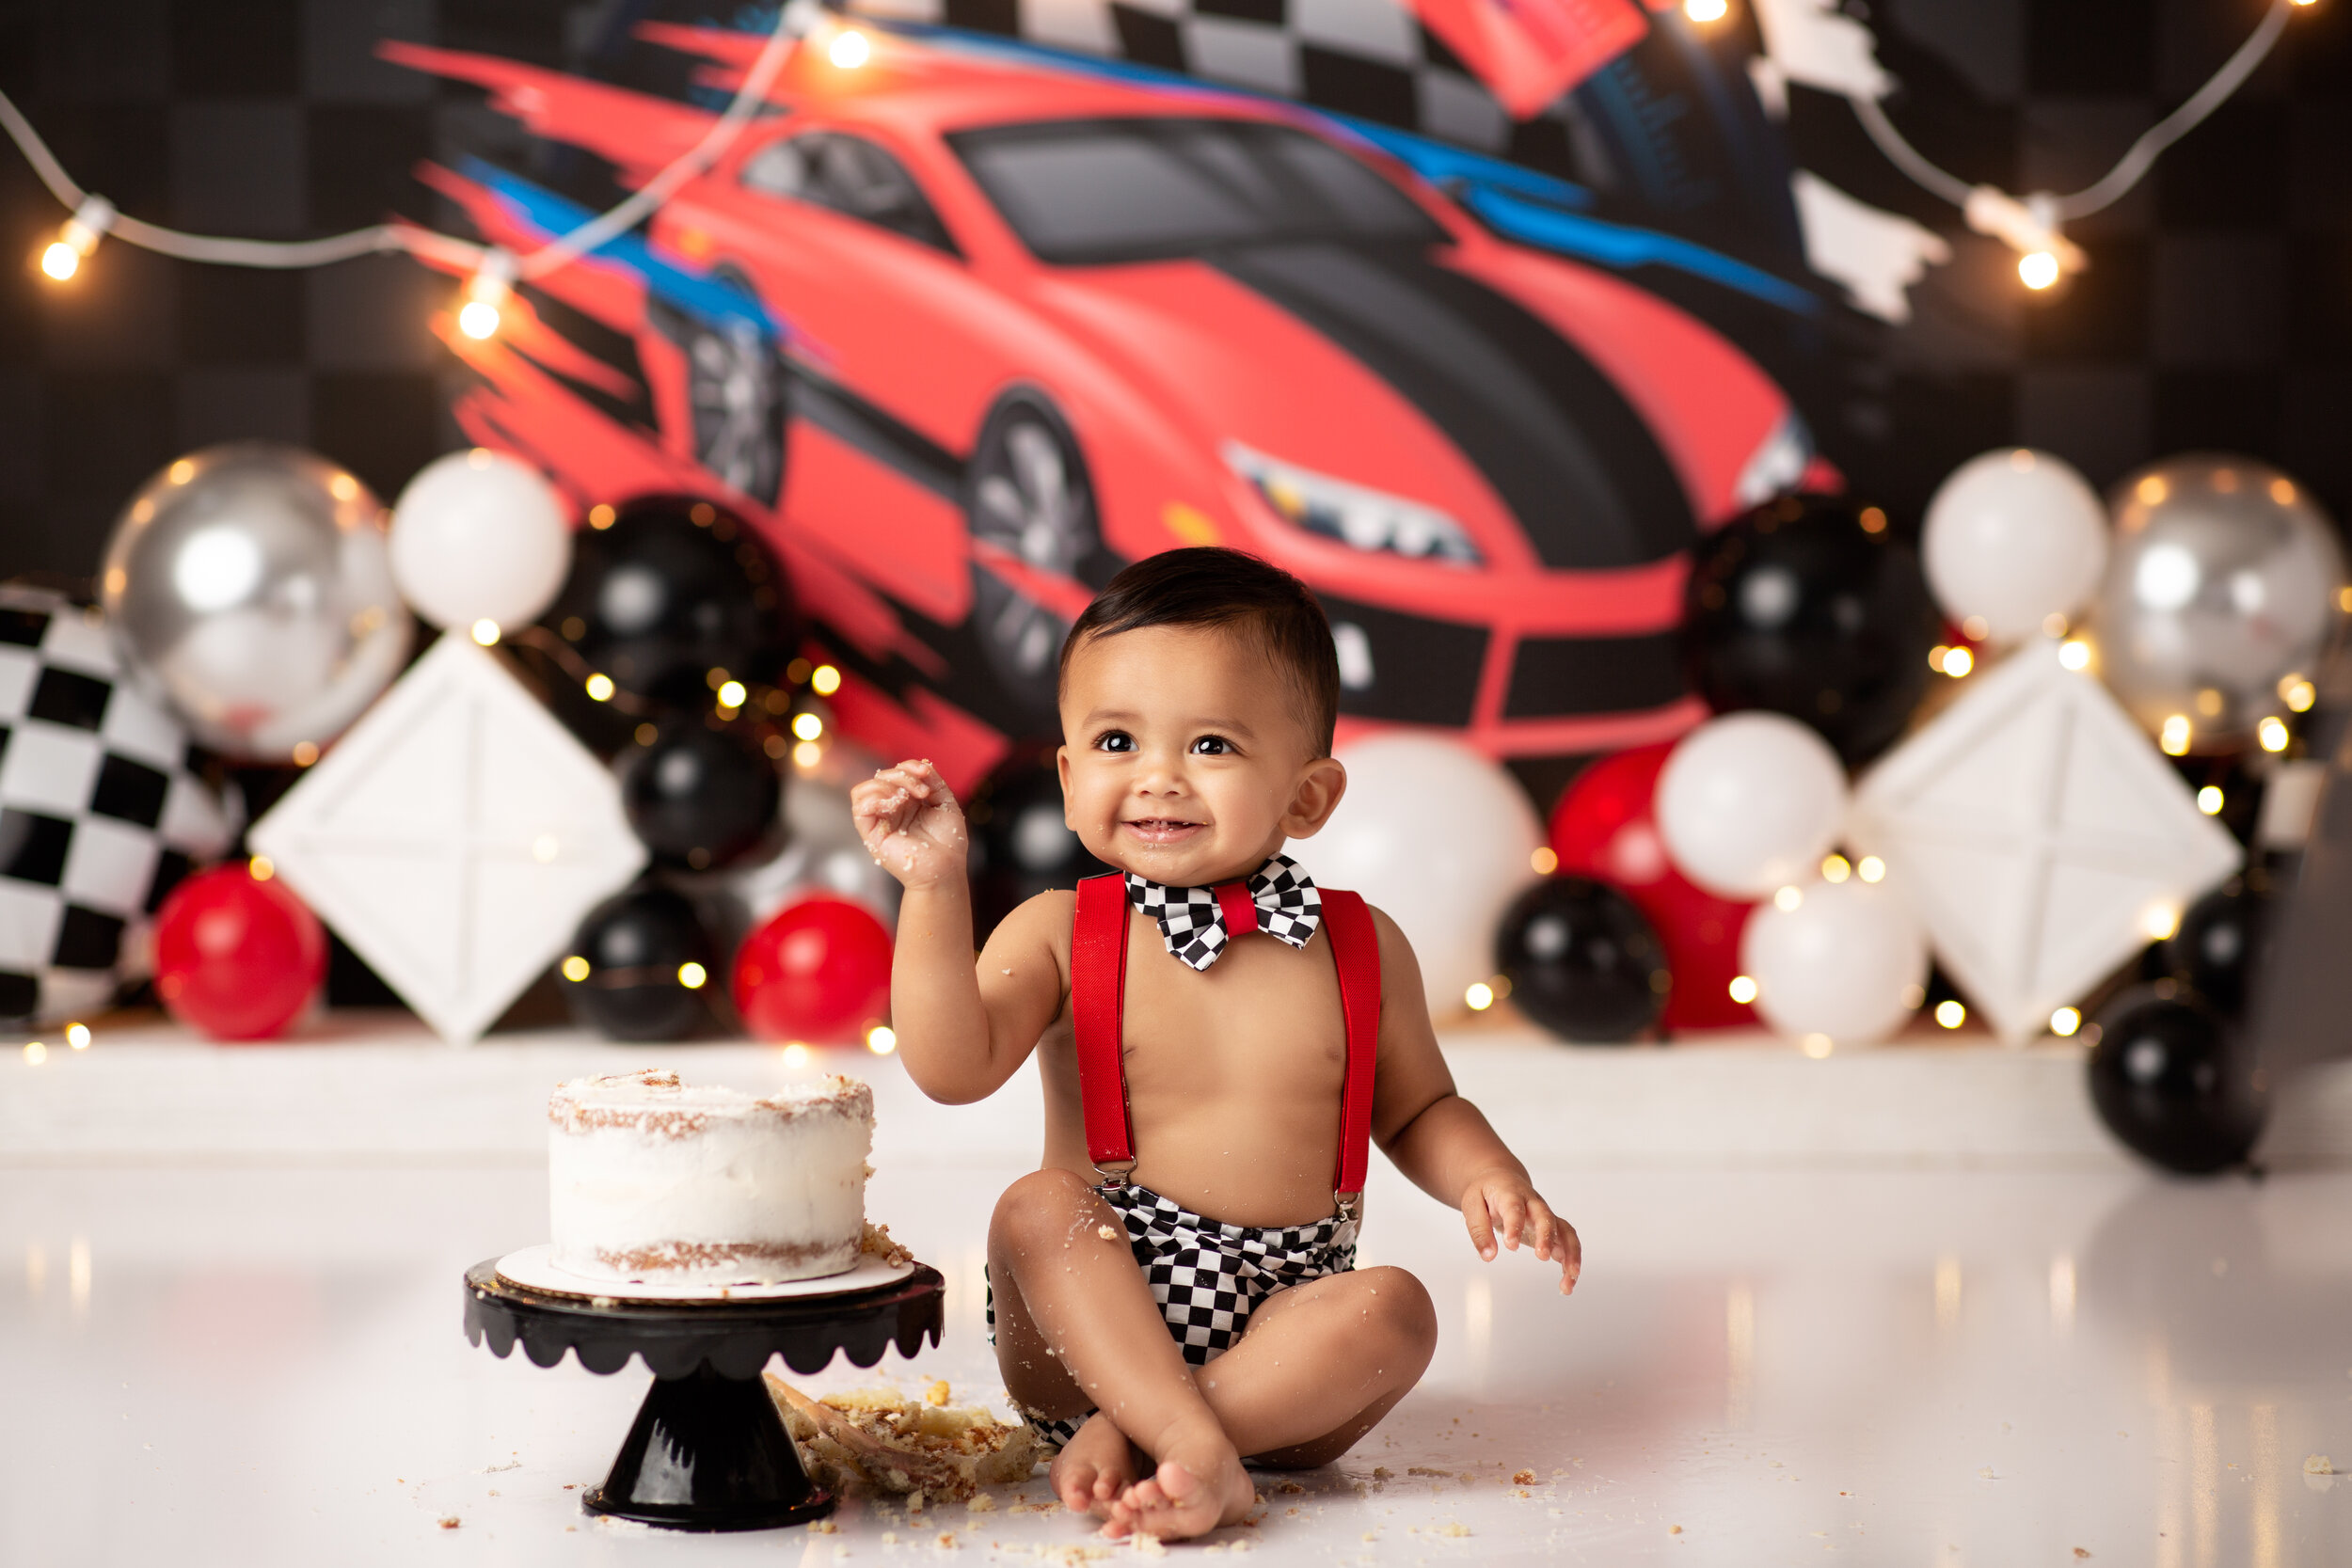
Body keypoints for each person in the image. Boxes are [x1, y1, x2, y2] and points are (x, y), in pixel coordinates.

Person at [851, 546, 1579, 1542]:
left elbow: (1416, 1108)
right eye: (1116, 740)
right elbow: (948, 1065)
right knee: (1038, 1206)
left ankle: (1171, 1435)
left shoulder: (1361, 945)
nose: (1157, 778)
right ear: (1067, 778)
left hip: (1288, 1358)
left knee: (1399, 1311)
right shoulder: (1062, 929)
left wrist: (1489, 1174)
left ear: (1307, 797)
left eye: (1210, 746)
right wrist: (933, 886)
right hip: (1085, 1328)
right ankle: (1183, 1440)